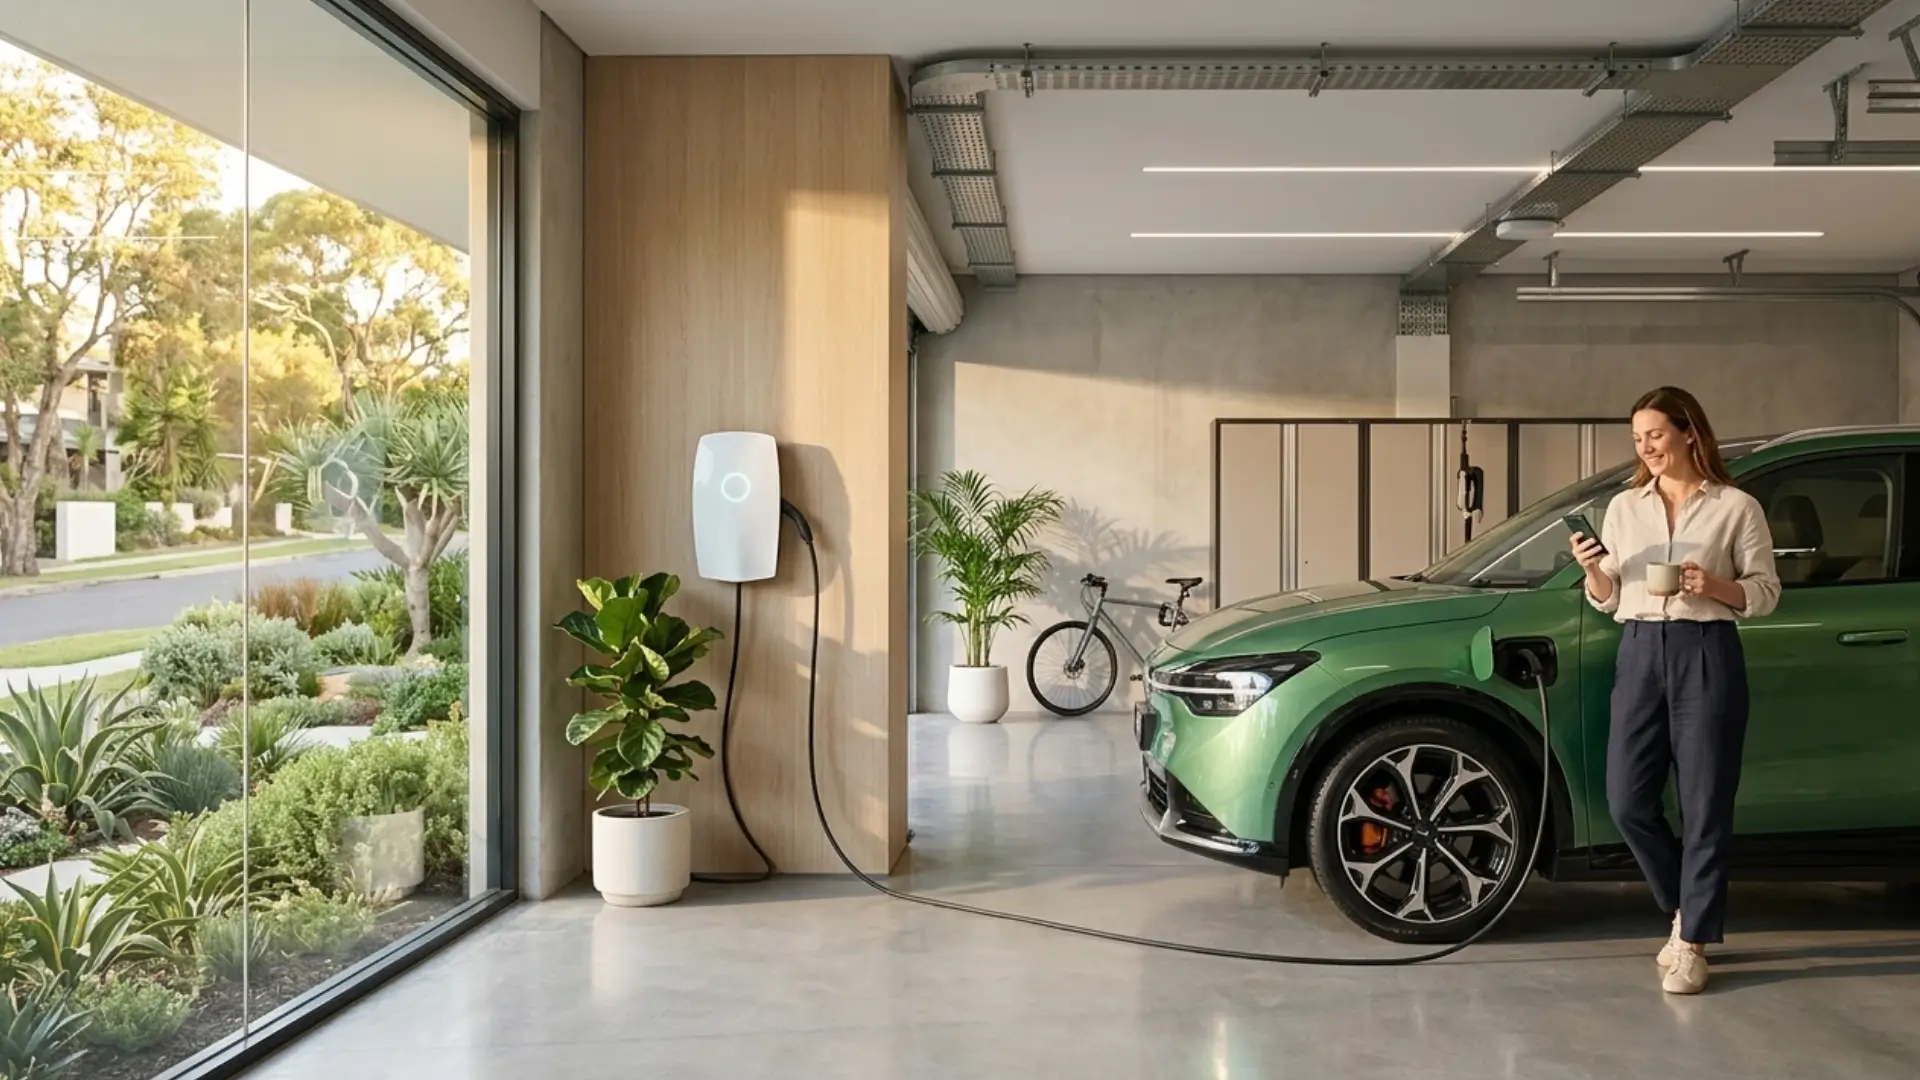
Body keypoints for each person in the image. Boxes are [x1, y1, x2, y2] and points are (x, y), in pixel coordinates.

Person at [1568, 386, 1780, 996]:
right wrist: (1592, 571)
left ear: (1689, 431)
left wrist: (1712, 583)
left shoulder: (1736, 507)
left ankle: (1693, 944)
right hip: (1638, 650)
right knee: (1627, 801)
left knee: (1706, 801)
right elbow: (1611, 601)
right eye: (1637, 438)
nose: (1646, 447)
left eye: (1655, 434)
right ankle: (1686, 906)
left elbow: (1764, 594)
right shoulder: (1622, 507)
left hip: (1706, 652)